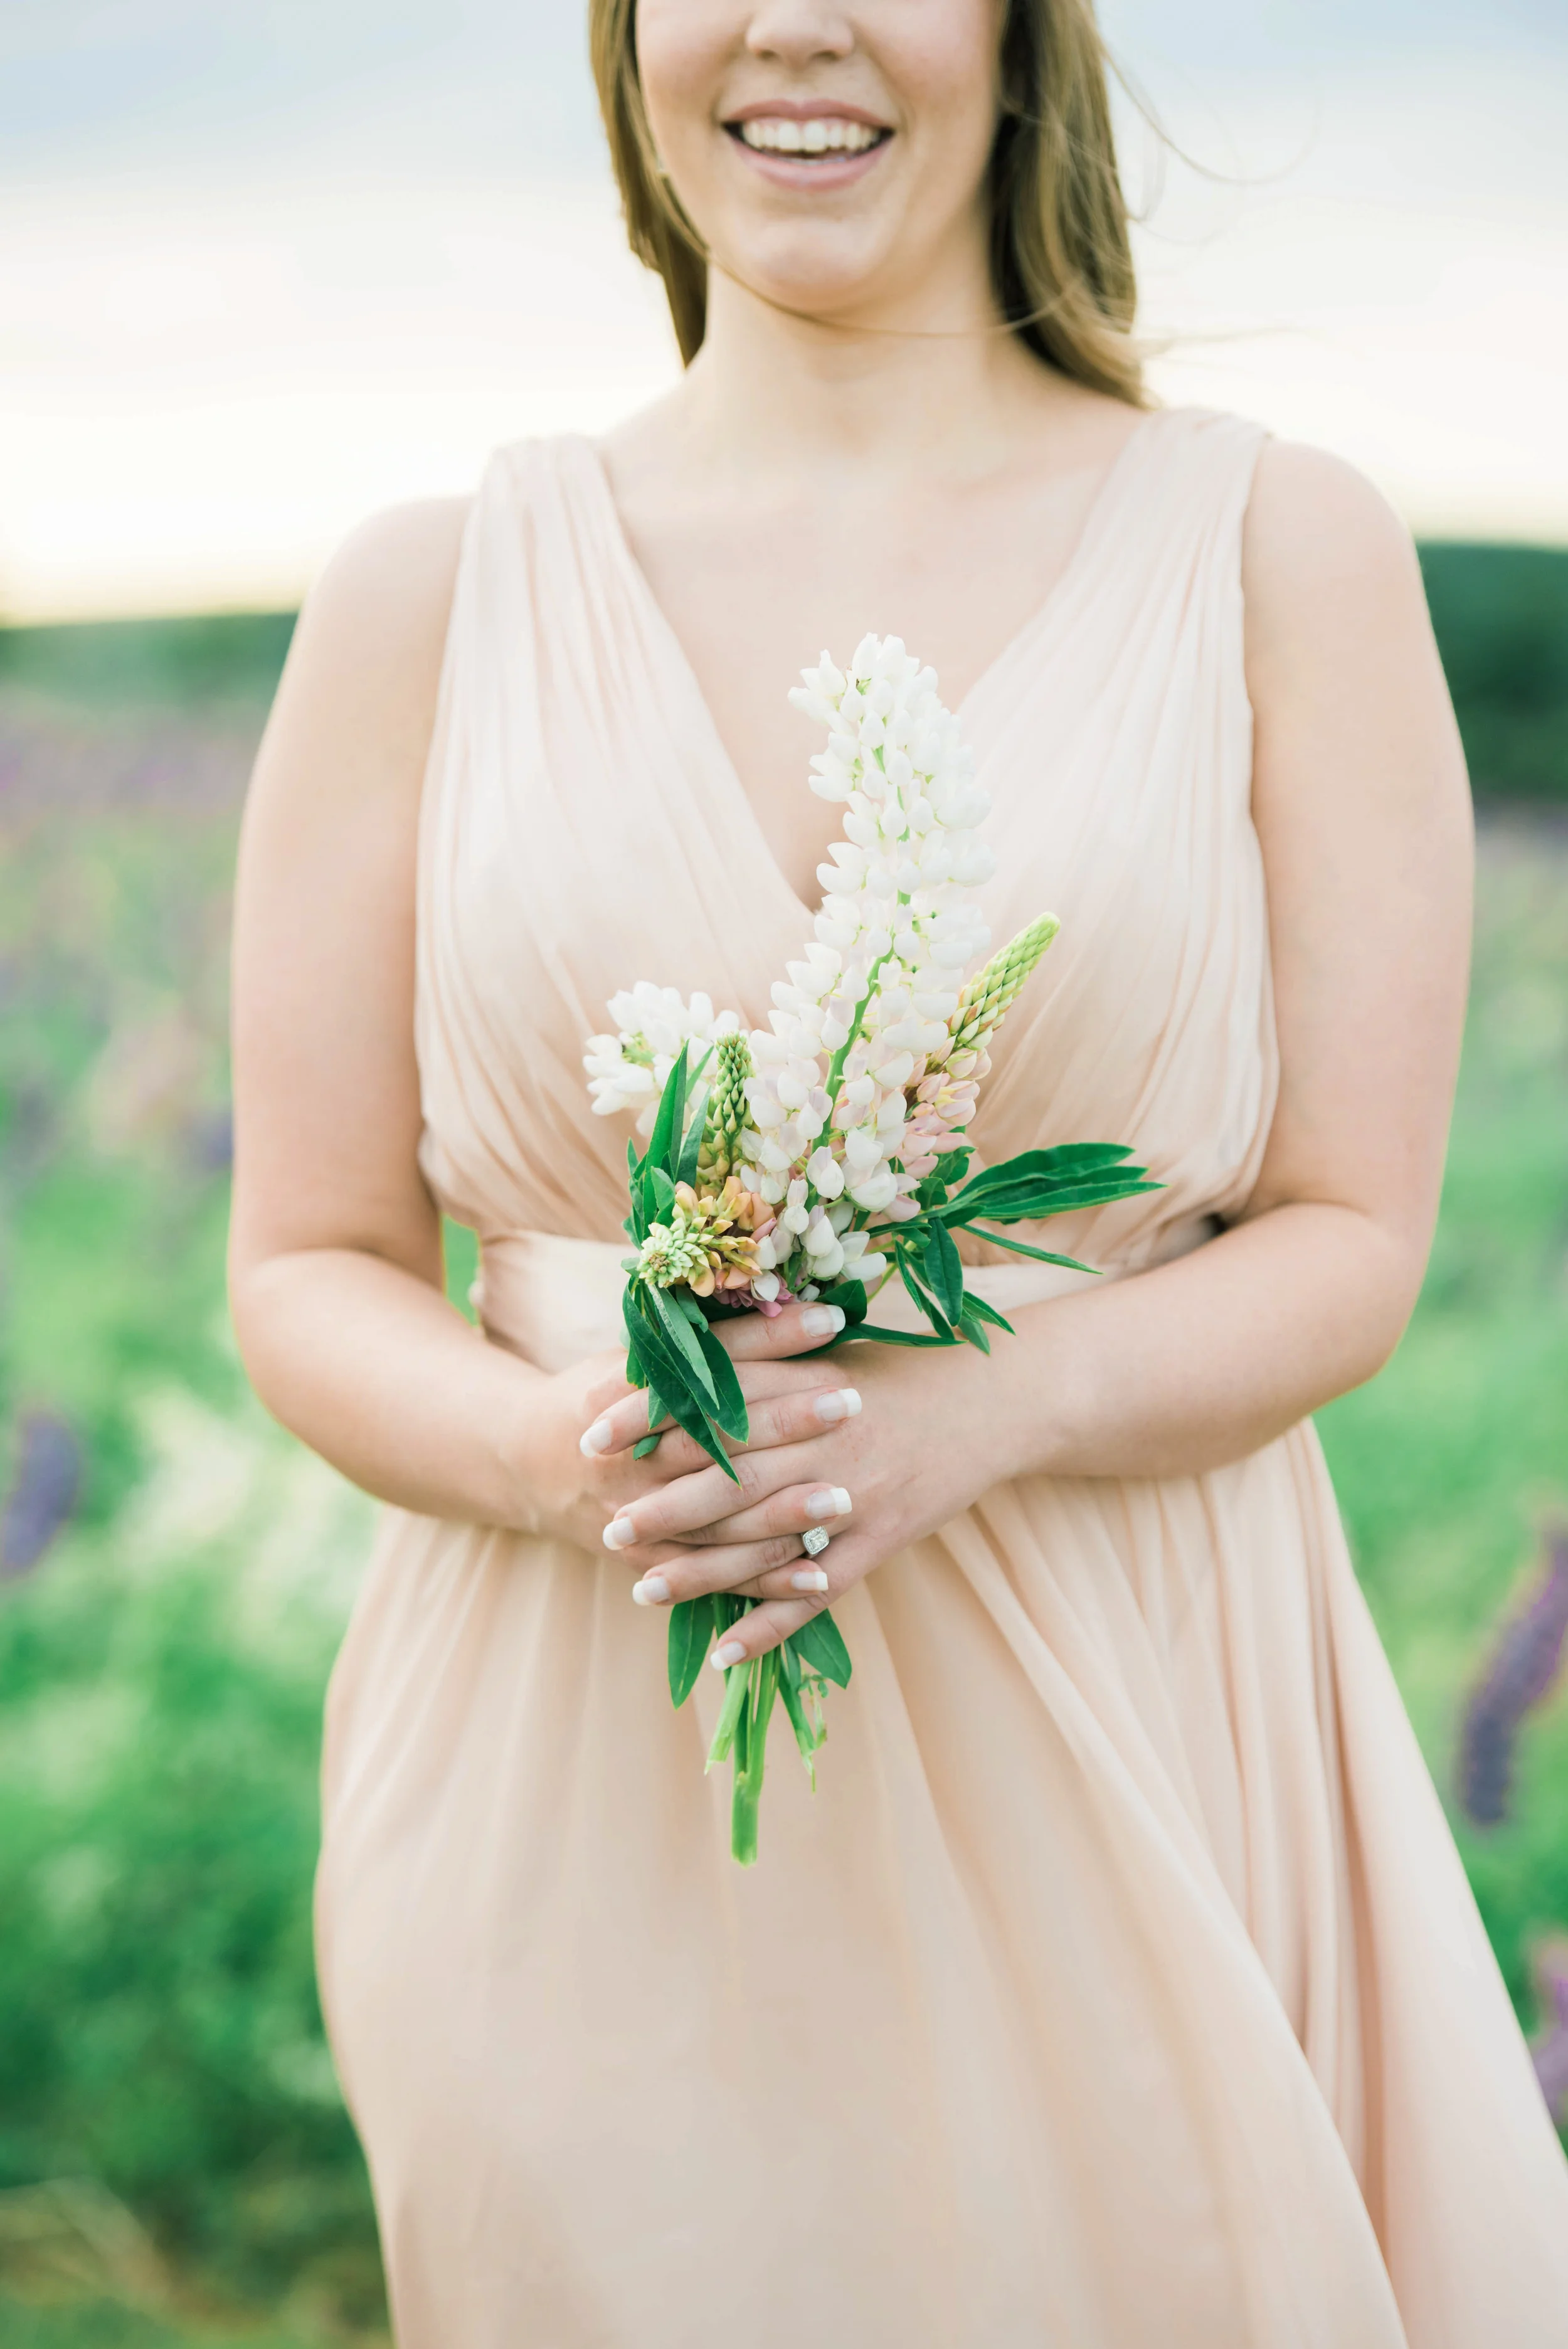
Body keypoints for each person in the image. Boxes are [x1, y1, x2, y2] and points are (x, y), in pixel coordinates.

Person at [227, 2, 1568, 2341]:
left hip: (1134, 1717)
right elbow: (312, 1260)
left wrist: (987, 1413)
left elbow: (1351, 1238)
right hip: (579, 1784)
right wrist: (568, 1460)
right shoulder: (423, 593)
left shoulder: (1273, 546)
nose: (794, 26)